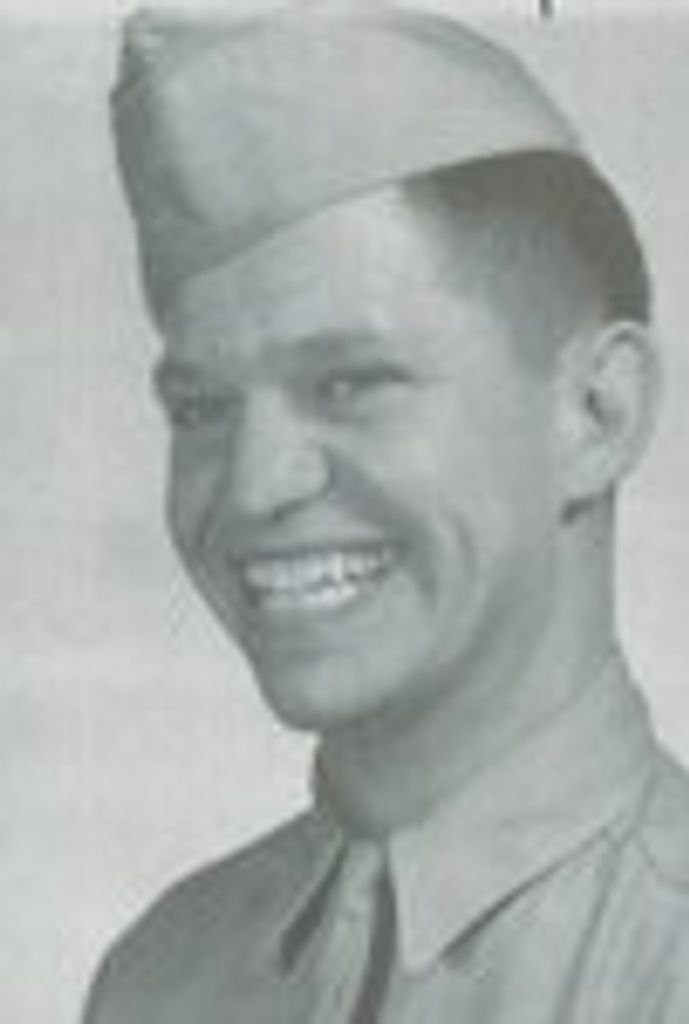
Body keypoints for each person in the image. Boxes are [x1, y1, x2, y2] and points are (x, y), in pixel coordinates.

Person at [83, 4, 689, 1022]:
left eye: (350, 382)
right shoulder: (161, 978)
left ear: (597, 413)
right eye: (200, 409)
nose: (250, 488)